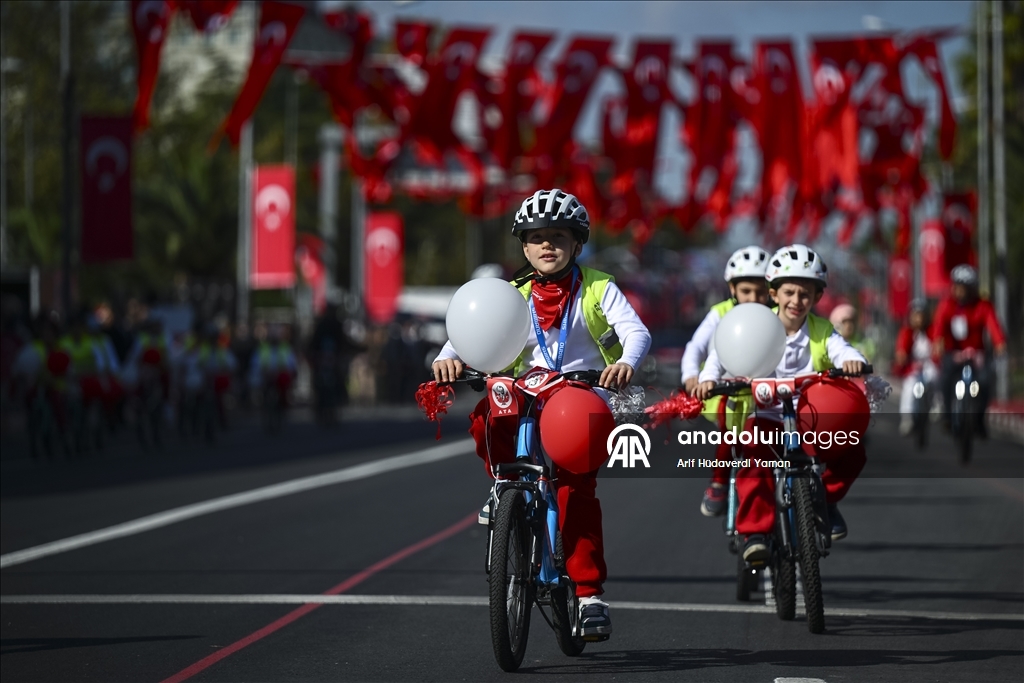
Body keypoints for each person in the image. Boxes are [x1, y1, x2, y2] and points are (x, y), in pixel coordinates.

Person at [432, 188, 651, 641]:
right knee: (487, 416)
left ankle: (589, 595)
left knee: (576, 490)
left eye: (558, 236)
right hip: (525, 393)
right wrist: (446, 357)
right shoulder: (511, 291)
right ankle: (504, 490)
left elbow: (636, 331)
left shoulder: (598, 286)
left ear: (577, 243)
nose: (546, 245)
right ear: (523, 246)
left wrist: (626, 361)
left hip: (578, 395)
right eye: (535, 238)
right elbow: (464, 334)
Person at [696, 244, 867, 564]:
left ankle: (825, 502)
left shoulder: (822, 330)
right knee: (754, 456)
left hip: (812, 418)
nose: (796, 301)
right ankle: (755, 533)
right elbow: (720, 352)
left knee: (853, 451)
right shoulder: (755, 321)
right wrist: (708, 377)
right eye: (789, 292)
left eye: (806, 294)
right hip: (769, 414)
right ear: (773, 293)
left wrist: (855, 361)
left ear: (817, 298)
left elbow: (843, 350)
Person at [680, 246, 770, 517]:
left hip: (765, 391)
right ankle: (719, 481)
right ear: (732, 289)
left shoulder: (775, 314)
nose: (753, 298)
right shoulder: (720, 312)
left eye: (760, 291)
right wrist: (691, 376)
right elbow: (695, 346)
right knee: (729, 435)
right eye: (746, 291)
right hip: (725, 388)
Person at [930, 264, 1006, 436]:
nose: (961, 291)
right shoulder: (947, 305)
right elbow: (939, 326)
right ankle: (947, 417)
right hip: (953, 354)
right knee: (945, 378)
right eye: (958, 286)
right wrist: (937, 342)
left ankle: (979, 420)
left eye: (965, 287)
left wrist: (1000, 343)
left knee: (986, 381)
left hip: (977, 355)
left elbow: (993, 326)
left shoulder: (982, 305)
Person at [893, 300, 937, 436]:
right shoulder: (907, 331)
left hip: (929, 364)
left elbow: (938, 344)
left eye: (922, 315)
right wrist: (901, 356)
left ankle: (936, 405)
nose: (919, 319)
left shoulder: (932, 330)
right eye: (916, 315)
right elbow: (901, 348)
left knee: (935, 377)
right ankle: (907, 418)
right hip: (913, 367)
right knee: (908, 388)